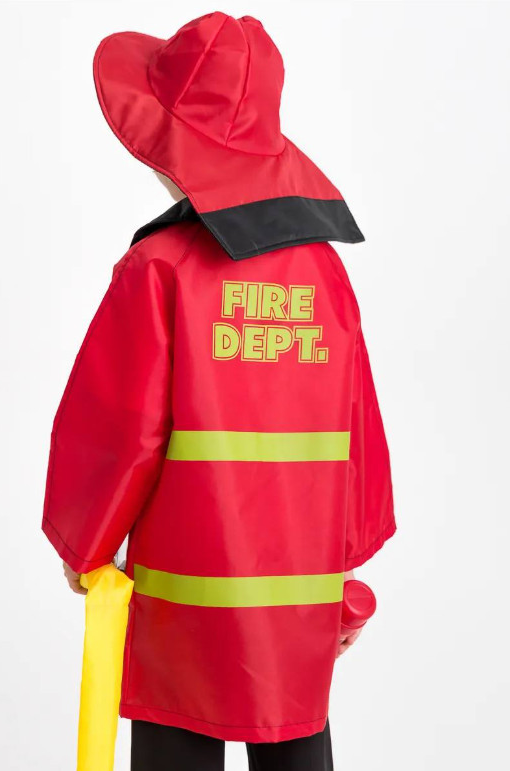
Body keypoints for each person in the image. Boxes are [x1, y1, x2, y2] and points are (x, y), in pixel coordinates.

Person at [42, 12, 396, 771]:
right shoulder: (326, 274)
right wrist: (345, 573)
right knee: (298, 746)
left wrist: (86, 544)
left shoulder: (159, 268)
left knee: (175, 746)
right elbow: (357, 431)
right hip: (297, 602)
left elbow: (119, 430)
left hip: (183, 604)